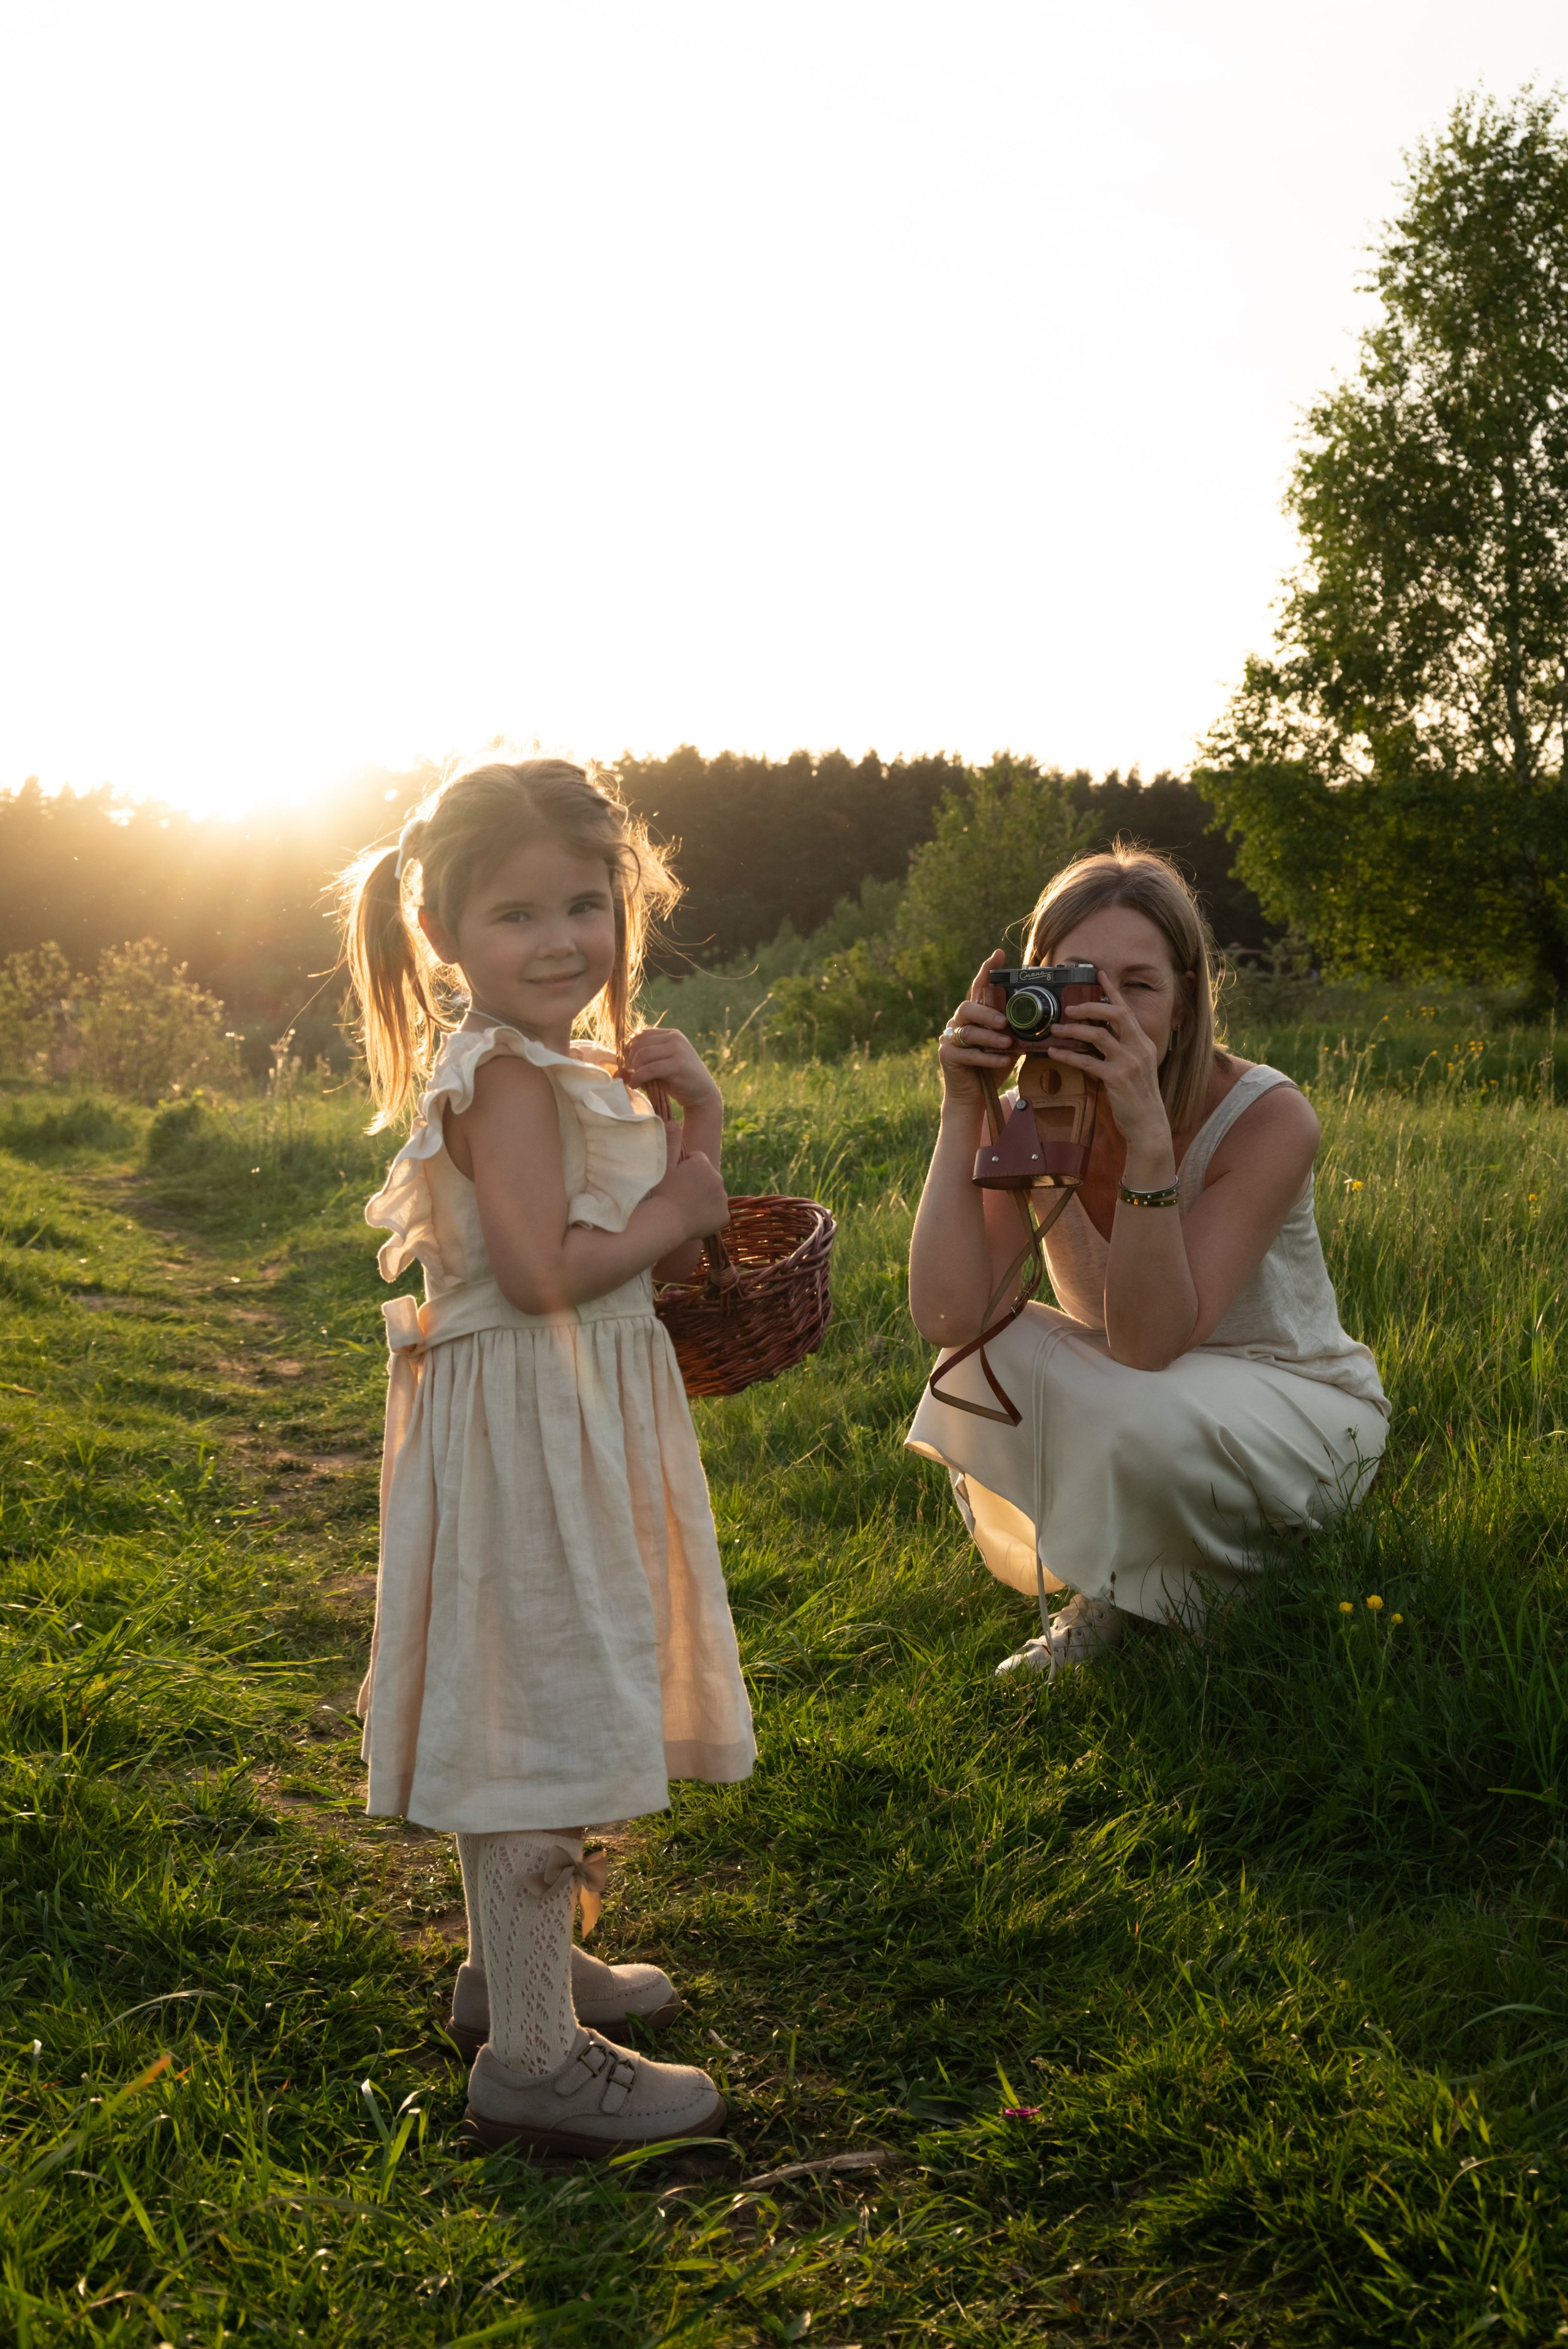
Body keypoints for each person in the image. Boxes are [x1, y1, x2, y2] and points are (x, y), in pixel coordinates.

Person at [340, 757, 755, 2157]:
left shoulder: (552, 1066)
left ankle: (507, 1975)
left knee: (537, 1679)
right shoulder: (505, 1077)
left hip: (557, 1411)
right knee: (546, 1708)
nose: (562, 940)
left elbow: (657, 1223)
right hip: (532, 1411)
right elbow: (534, 1272)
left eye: (587, 902)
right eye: (515, 914)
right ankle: (530, 2060)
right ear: (441, 933)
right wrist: (687, 1199)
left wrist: (695, 1120)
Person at [906, 846, 1389, 1676]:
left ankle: (1165, 1591)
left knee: (1141, 1406)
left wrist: (1148, 1142)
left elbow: (1149, 1341)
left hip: (1298, 1402)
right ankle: (1147, 1586)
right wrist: (966, 1108)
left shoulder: (1265, 1115)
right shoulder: (1033, 1114)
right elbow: (951, 1315)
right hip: (1137, 1391)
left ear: (1185, 997)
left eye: (1139, 984)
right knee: (980, 1357)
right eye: (1079, 982)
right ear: (1032, 991)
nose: (1111, 1010)